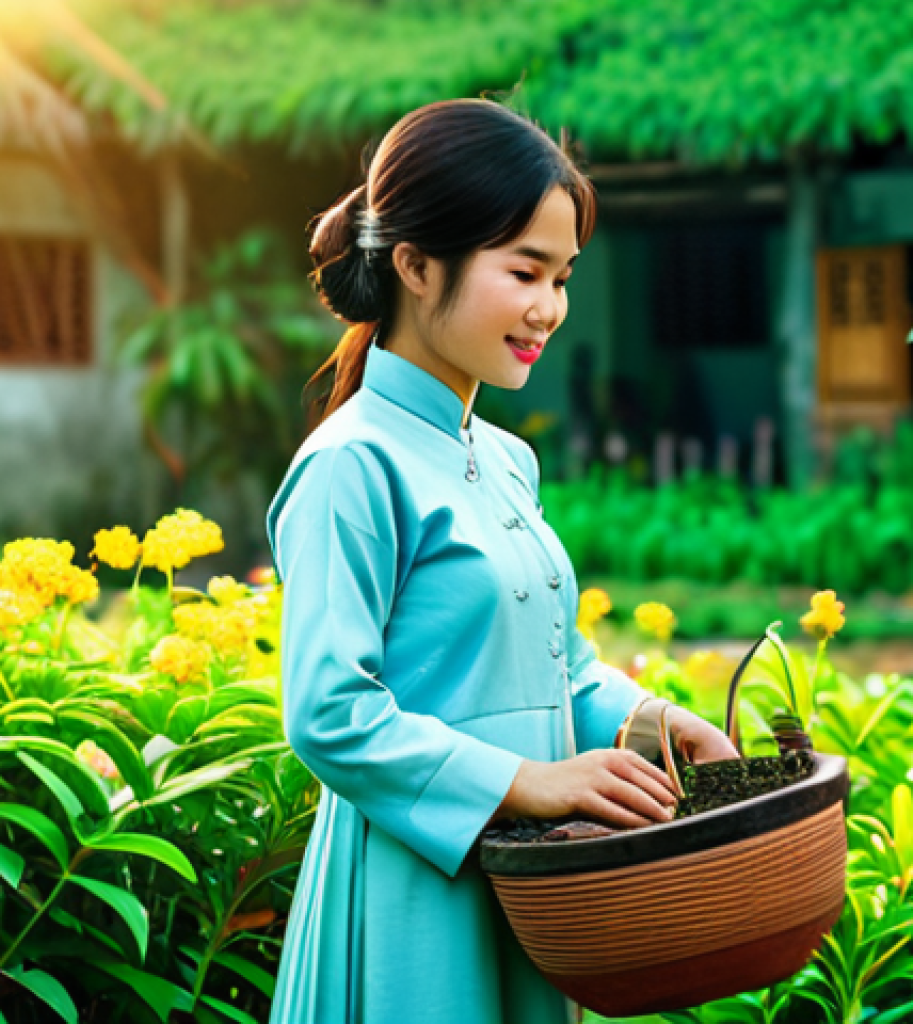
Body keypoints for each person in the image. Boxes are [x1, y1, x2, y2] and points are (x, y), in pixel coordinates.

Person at [265, 99, 737, 1024]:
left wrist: (656, 724)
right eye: (525, 271)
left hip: (531, 886)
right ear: (415, 264)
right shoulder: (351, 462)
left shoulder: (507, 460)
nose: (549, 309)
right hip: (414, 891)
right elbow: (327, 713)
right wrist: (525, 784)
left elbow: (556, 669)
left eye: (562, 277)